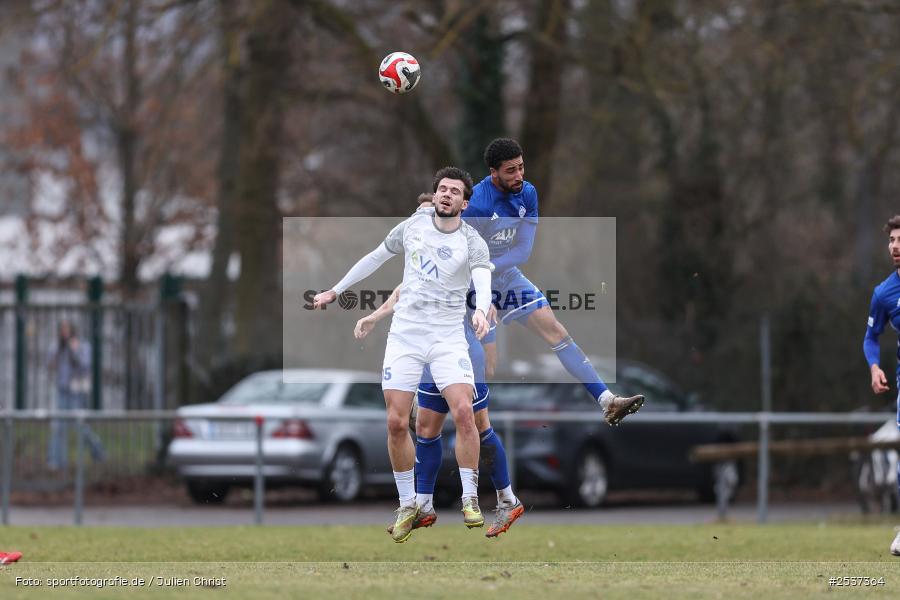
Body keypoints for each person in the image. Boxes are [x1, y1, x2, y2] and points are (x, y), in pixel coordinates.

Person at [314, 166, 492, 543]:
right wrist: (335, 290)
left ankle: (470, 498)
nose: (446, 194)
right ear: (435, 195)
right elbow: (375, 257)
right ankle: (408, 504)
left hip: (447, 337)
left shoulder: (472, 241)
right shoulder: (413, 226)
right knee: (396, 422)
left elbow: (483, 279)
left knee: (464, 411)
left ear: (464, 202)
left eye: (454, 191)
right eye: (442, 189)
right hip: (406, 336)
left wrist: (480, 309)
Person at [355, 195, 524, 539]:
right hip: (428, 355)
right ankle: (423, 505)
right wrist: (374, 316)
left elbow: (486, 294)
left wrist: (488, 327)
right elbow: (401, 293)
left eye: (426, 213)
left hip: (461, 354)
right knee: (426, 429)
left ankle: (507, 498)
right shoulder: (422, 256)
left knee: (478, 425)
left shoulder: (462, 249)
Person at [462, 138, 644, 425]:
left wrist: (493, 269)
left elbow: (523, 250)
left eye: (521, 167)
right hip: (474, 284)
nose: (519, 175)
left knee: (556, 331)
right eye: (510, 170)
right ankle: (429, 407)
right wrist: (484, 294)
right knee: (487, 365)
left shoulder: (528, 193)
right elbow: (464, 260)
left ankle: (607, 400)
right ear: (493, 172)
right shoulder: (477, 205)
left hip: (507, 276)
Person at [862, 214, 900, 557]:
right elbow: (871, 337)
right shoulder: (884, 293)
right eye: (891, 240)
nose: (895, 246)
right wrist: (874, 367)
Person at [47, 320, 105, 470]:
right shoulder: (56, 346)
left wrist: (74, 351)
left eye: (66, 329)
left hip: (77, 391)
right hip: (62, 390)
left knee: (80, 425)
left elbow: (85, 366)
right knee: (59, 426)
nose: (64, 332)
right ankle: (57, 461)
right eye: (62, 329)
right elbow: (50, 365)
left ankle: (98, 451)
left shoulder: (83, 346)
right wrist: (58, 352)